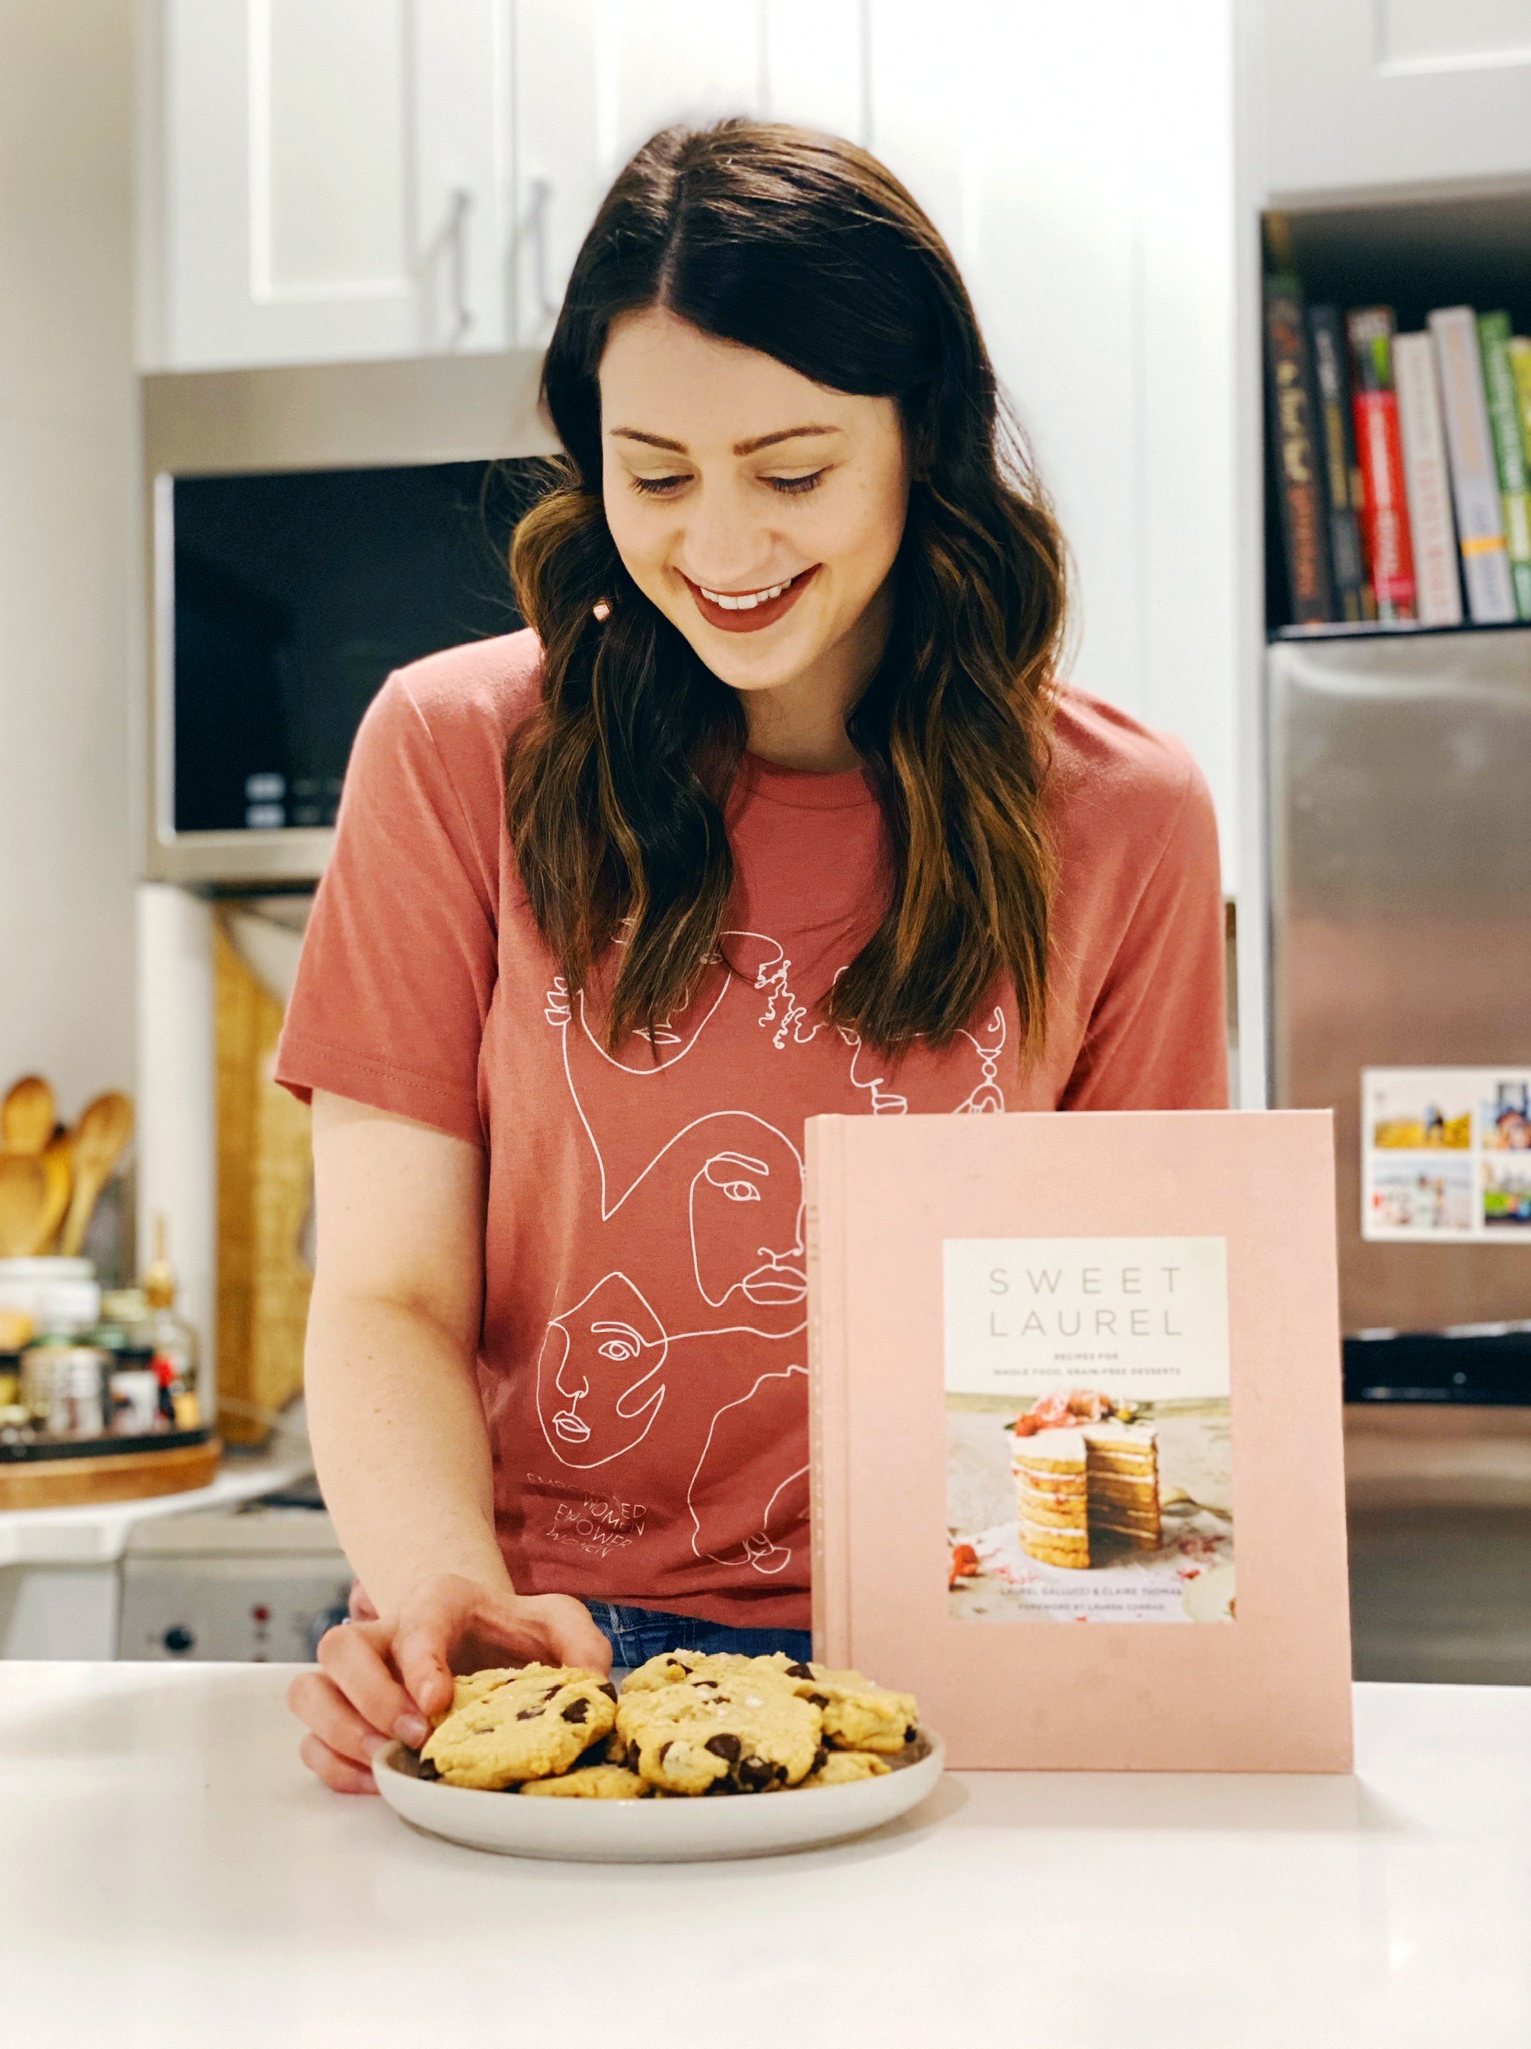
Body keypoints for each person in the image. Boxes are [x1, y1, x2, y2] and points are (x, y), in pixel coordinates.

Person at [279, 120, 1227, 1792]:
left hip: (962, 1652)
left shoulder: (1122, 820)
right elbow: (386, 1292)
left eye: (788, 472)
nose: (718, 547)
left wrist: (1128, 1697)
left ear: (917, 440)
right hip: (550, 1641)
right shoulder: (450, 754)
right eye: (654, 474)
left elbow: (1122, 1359)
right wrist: (445, 1594)